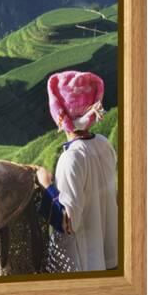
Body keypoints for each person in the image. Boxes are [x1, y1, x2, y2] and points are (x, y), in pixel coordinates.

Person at [36, 70, 118, 272]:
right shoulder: (104, 144)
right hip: (109, 254)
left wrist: (46, 185)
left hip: (84, 263)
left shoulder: (71, 158)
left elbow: (68, 223)